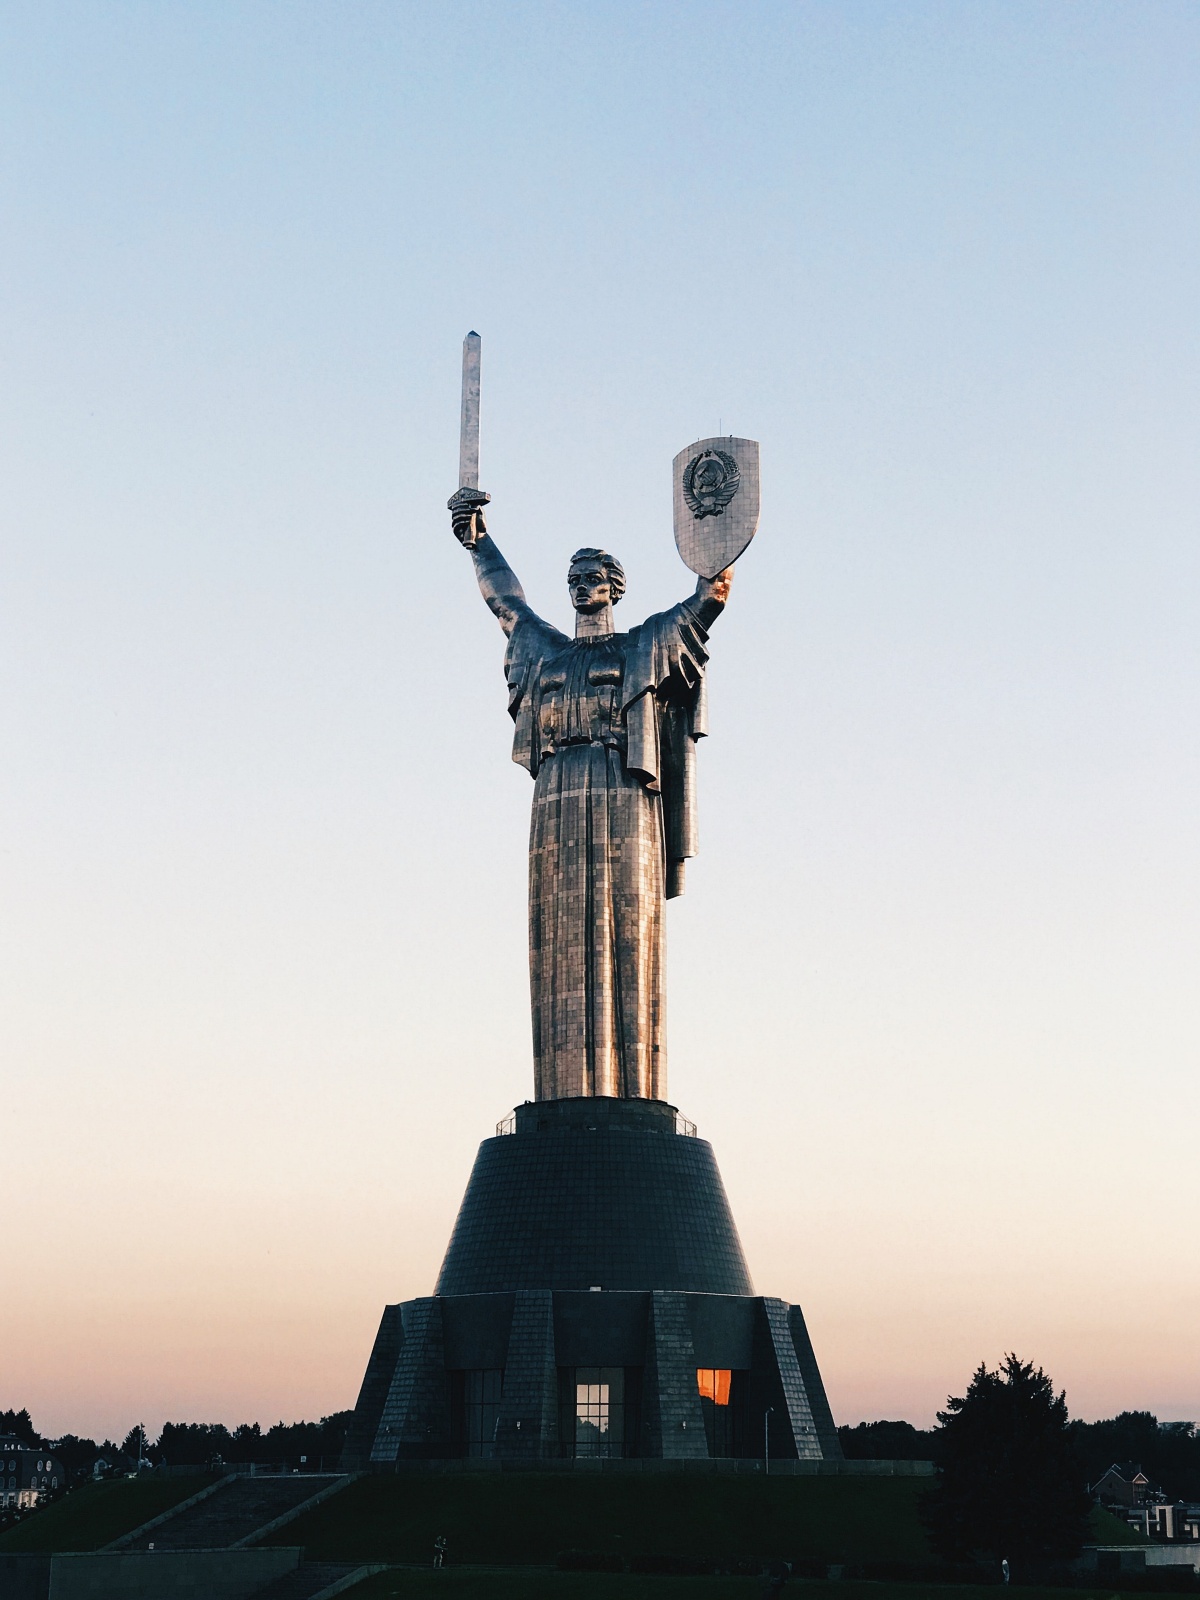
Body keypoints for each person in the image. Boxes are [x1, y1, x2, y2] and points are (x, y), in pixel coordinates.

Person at [451, 499, 733, 1102]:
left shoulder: (637, 647)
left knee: (623, 927)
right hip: (555, 798)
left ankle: (629, 1094)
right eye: (574, 580)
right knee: (558, 938)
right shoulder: (546, 652)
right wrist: (479, 543)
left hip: (621, 790)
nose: (582, 587)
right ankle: (562, 1094)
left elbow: (702, 606)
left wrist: (716, 565)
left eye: (593, 579)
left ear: (615, 589)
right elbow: (506, 603)